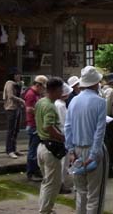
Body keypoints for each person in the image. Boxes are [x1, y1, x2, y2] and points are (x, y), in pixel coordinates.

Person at [64, 66, 108, 214]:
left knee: (80, 192)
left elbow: (67, 127)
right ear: (96, 83)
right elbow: (99, 131)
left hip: (75, 150)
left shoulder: (73, 101)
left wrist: (70, 151)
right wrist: (94, 154)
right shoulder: (100, 102)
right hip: (92, 149)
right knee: (94, 195)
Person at [36, 77, 66, 214]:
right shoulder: (50, 106)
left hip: (41, 146)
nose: (62, 92)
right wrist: (63, 138)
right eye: (60, 90)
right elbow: (49, 127)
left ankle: (45, 208)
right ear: (54, 90)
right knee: (53, 183)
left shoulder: (41, 102)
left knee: (47, 181)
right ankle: (45, 210)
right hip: (50, 148)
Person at [25, 75, 48, 181]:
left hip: (37, 124)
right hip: (33, 124)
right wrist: (40, 112)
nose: (43, 89)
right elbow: (29, 109)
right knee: (33, 150)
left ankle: (36, 170)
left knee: (37, 149)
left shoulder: (37, 94)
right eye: (42, 87)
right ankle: (31, 172)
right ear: (38, 85)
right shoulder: (30, 94)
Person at [56, 83, 74, 193]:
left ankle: (60, 183)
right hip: (63, 136)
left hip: (61, 135)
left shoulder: (58, 104)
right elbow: (64, 123)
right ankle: (60, 184)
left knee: (62, 162)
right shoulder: (61, 105)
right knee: (64, 162)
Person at [3, 67, 25, 159]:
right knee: (11, 130)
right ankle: (9, 150)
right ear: (13, 76)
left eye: (19, 74)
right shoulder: (9, 83)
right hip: (11, 108)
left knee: (16, 129)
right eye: (17, 75)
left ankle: (14, 148)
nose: (19, 76)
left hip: (17, 108)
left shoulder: (17, 84)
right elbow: (11, 96)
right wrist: (21, 100)